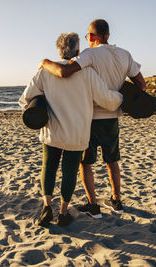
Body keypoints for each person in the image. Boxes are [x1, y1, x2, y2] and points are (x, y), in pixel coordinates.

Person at [40, 19, 146, 217]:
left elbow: (65, 71)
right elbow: (141, 84)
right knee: (112, 160)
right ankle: (116, 200)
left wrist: (45, 64)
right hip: (113, 116)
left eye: (88, 35)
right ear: (107, 34)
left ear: (92, 36)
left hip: (90, 118)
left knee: (85, 163)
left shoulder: (89, 54)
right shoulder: (124, 54)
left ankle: (93, 205)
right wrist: (121, 92)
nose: (87, 39)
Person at [19, 32, 123, 227]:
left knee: (48, 168)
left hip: (52, 132)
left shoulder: (44, 72)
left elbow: (25, 99)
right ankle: (63, 212)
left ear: (59, 51)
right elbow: (106, 100)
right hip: (77, 133)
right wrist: (121, 98)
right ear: (77, 50)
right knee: (70, 171)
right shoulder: (88, 73)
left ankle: (46, 207)